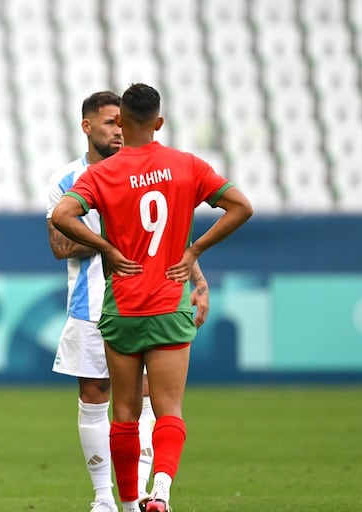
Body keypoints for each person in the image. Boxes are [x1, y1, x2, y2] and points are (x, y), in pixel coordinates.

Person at [51, 83, 252, 512]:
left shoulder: (101, 174)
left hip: (122, 306)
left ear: (121, 120)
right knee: (167, 409)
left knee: (121, 413)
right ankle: (159, 491)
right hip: (169, 302)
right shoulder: (186, 165)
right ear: (159, 123)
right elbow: (241, 206)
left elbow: (63, 216)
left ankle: (124, 504)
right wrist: (194, 251)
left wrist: (107, 249)